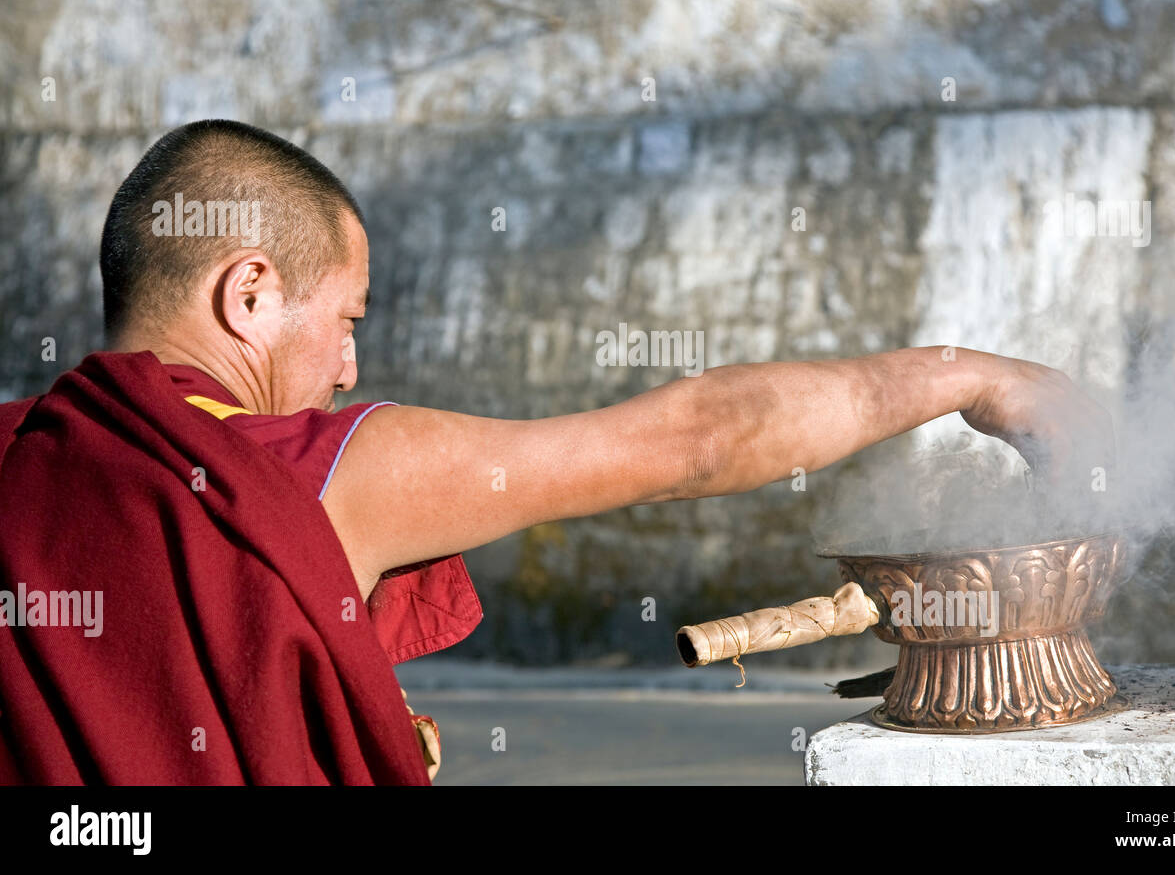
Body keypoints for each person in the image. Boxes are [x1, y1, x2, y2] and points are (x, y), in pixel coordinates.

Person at [0, 119, 1112, 784]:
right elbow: (695, 440)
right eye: (347, 319)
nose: (346, 367)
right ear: (249, 293)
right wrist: (966, 374)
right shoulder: (308, 471)